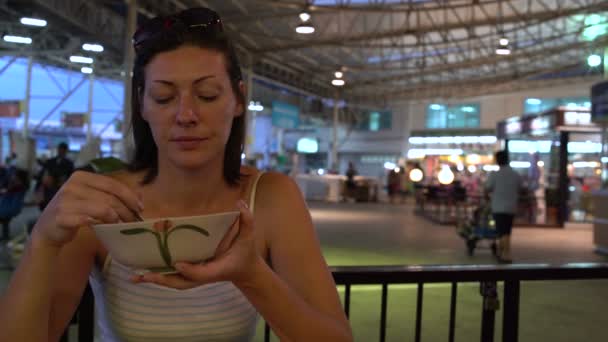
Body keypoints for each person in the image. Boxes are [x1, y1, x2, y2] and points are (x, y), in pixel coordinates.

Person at [0, 7, 352, 342]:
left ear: (238, 99)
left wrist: (252, 276)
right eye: (164, 97)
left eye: (207, 94)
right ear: (142, 105)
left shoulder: (273, 198)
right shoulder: (105, 205)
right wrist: (43, 240)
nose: (186, 114)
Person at [485, 151, 521, 263]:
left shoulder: (495, 175)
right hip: (511, 207)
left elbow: (487, 188)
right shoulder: (515, 174)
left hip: (498, 207)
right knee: (507, 231)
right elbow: (520, 188)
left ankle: (504, 254)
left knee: (501, 232)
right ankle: (505, 253)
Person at [35, 142, 74, 211]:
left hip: (60, 189)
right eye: (60, 149)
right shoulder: (50, 161)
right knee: (45, 205)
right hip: (48, 187)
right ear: (58, 149)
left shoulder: (69, 163)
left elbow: (71, 176)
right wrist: (39, 185)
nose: (61, 151)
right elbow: (42, 174)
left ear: (66, 151)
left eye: (63, 150)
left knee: (55, 207)